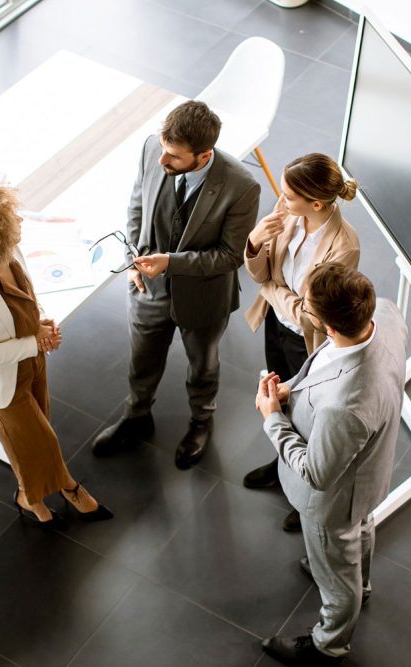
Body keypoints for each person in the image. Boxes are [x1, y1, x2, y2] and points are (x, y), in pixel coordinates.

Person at [91, 101, 260, 468]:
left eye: (174, 157)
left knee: (203, 364)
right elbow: (136, 207)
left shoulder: (241, 187)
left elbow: (231, 257)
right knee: (142, 359)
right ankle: (137, 417)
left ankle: (201, 421)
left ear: (203, 156)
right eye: (164, 150)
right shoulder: (153, 147)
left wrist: (171, 264)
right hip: (147, 288)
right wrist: (132, 258)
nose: (162, 161)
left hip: (203, 296)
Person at [0, 176, 112, 529]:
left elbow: (21, 303)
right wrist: (33, 342)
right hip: (2, 382)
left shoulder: (10, 255)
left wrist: (39, 327)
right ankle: (69, 487)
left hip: (31, 363)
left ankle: (27, 495)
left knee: (33, 437)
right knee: (38, 441)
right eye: (10, 220)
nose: (19, 222)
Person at [256, 263, 407, 665]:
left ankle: (329, 644)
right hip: (368, 474)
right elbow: (325, 364)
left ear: (330, 326)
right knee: (362, 530)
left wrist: (272, 416)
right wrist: (290, 389)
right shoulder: (385, 315)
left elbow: (316, 473)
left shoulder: (348, 405)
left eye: (308, 306)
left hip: (334, 500)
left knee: (337, 581)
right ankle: (363, 583)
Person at [243, 153, 360, 533]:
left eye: (290, 196)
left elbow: (312, 316)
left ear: (317, 203)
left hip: (306, 342)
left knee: (305, 416)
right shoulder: (287, 214)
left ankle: (302, 491)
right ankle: (282, 467)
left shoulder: (344, 247)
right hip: (275, 326)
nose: (282, 200)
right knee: (276, 396)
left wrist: (274, 290)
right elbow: (260, 273)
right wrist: (256, 240)